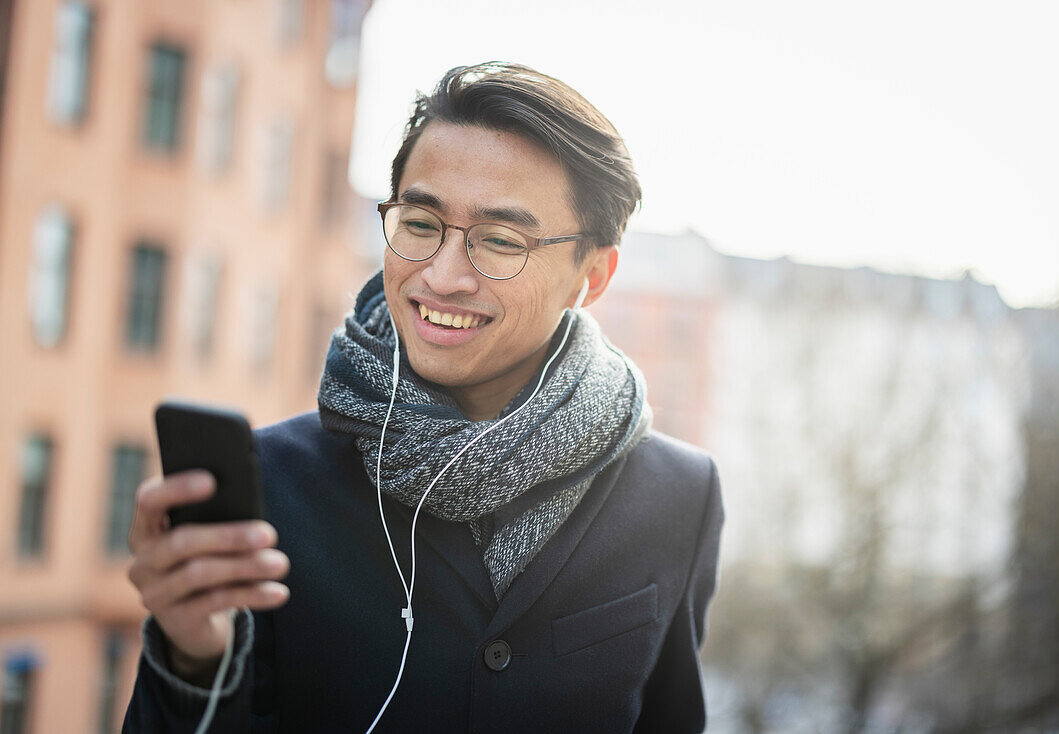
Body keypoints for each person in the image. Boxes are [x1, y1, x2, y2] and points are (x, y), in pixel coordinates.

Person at [123, 61, 723, 733]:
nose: (442, 276)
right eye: (419, 222)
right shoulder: (270, 486)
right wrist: (194, 657)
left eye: (499, 240)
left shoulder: (680, 496)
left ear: (594, 272)